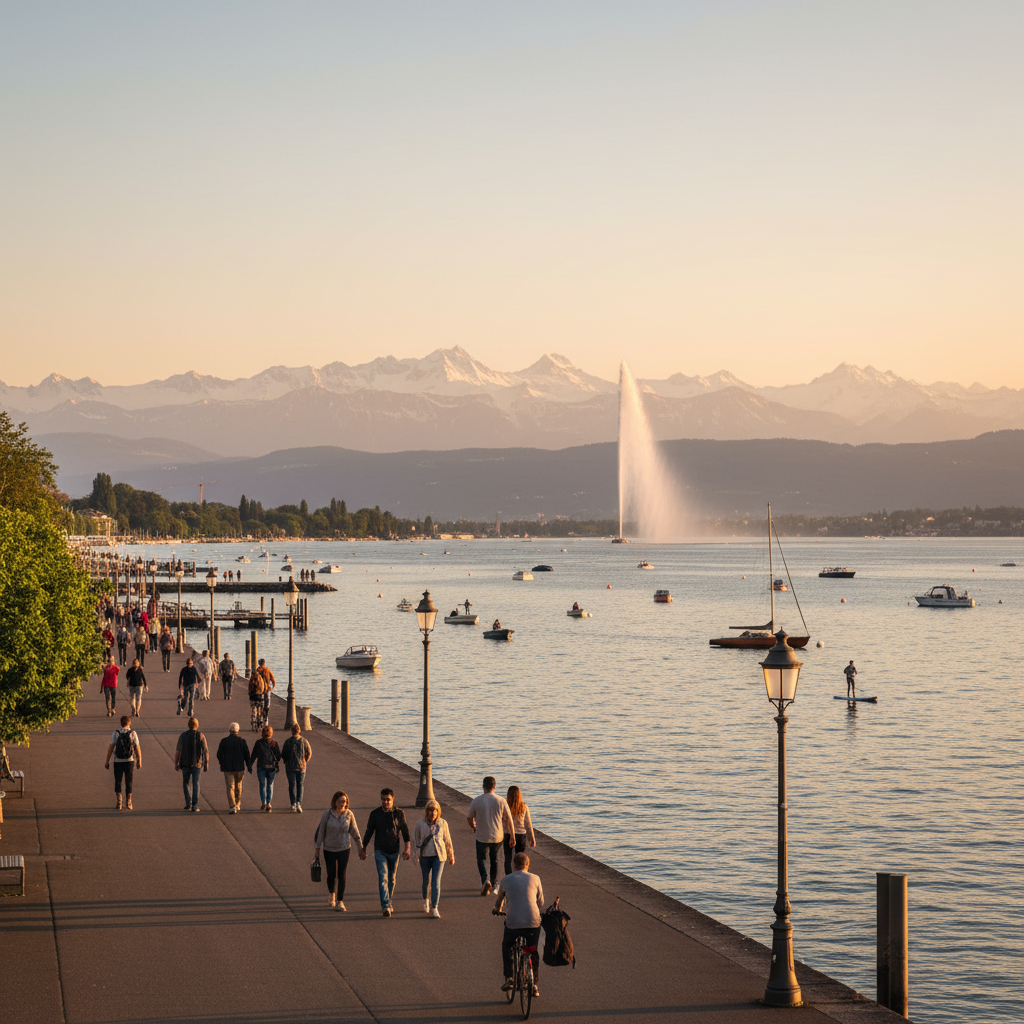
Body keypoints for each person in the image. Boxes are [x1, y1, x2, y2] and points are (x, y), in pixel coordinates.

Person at [493, 852, 545, 998]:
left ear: (513, 865)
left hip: (513, 922)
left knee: (507, 945)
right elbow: (540, 902)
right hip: (533, 922)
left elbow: (499, 901)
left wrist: (497, 909)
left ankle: (509, 977)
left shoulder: (506, 879)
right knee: (532, 950)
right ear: (528, 865)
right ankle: (534, 984)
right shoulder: (536, 878)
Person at [359, 788, 411, 917]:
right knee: (383, 877)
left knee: (392, 879)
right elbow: (369, 831)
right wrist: (363, 847)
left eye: (388, 799)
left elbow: (405, 831)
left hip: (394, 851)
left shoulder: (399, 813)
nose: (385, 802)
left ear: (393, 799)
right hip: (380, 850)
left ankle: (389, 900)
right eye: (383, 799)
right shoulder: (375, 814)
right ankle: (385, 905)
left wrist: (407, 848)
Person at [467, 776, 515, 895]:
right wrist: (512, 835)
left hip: (482, 835)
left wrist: (473, 826)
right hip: (497, 835)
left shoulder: (477, 800)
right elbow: (509, 819)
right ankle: (495, 884)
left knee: (481, 859)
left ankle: (485, 879)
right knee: (495, 860)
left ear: (483, 786)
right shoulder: (501, 800)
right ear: (494, 786)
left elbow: (469, 816)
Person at [314, 791, 362, 911]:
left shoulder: (349, 815)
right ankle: (332, 894)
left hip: (344, 848)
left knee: (342, 874)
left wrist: (360, 847)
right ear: (334, 802)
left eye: (344, 802)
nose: (342, 804)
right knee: (331, 874)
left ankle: (340, 901)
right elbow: (321, 832)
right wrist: (317, 848)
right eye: (340, 801)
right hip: (329, 848)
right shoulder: (327, 814)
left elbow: (355, 832)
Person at [413, 799, 455, 918]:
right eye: (430, 810)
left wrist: (451, 856)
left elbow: (448, 840)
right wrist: (415, 856)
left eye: (435, 810)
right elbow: (415, 840)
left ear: (438, 812)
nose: (432, 813)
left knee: (436, 882)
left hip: (439, 856)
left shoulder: (443, 823)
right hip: (425, 856)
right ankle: (426, 899)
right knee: (426, 881)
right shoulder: (420, 824)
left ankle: (434, 906)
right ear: (426, 811)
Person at [105, 714, 142, 810]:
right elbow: (137, 747)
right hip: (129, 760)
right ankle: (129, 802)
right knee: (129, 781)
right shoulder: (133, 733)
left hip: (118, 760)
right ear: (129, 723)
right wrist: (139, 761)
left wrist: (107, 761)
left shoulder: (116, 733)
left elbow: (111, 747)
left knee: (118, 781)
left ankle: (119, 802)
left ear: (121, 723)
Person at [174, 716, 209, 812]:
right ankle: (195, 805)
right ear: (197, 725)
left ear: (188, 725)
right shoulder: (201, 735)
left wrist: (176, 762)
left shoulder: (183, 736)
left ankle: (188, 803)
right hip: (197, 763)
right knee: (195, 783)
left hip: (185, 762)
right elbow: (205, 751)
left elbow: (178, 750)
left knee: (185, 783)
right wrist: (206, 763)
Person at [215, 722, 250, 813]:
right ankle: (237, 803)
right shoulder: (242, 741)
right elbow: (247, 755)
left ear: (229, 730)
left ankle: (232, 806)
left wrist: (222, 763)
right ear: (238, 731)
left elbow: (219, 754)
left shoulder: (224, 741)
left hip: (227, 767)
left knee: (230, 786)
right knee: (239, 785)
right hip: (239, 767)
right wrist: (249, 765)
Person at [504, 786, 537, 875]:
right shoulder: (524, 807)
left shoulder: (505, 807)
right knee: (520, 858)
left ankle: (509, 877)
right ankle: (520, 876)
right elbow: (528, 824)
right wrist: (532, 838)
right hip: (521, 835)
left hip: (508, 834)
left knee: (508, 858)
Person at [280, 723, 313, 812]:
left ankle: (293, 803)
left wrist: (286, 761)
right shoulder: (304, 741)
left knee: (291, 785)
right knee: (300, 785)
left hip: (290, 766)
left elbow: (283, 754)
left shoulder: (287, 742)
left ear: (291, 731)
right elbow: (309, 752)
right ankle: (299, 802)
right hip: (301, 767)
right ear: (299, 731)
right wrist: (305, 761)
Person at [249, 725, 281, 812]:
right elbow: (278, 756)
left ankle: (263, 802)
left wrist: (250, 764)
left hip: (261, 766)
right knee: (270, 785)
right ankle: (269, 803)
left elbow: (254, 755)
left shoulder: (258, 743)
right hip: (271, 767)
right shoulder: (274, 743)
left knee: (262, 785)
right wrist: (276, 762)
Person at [253, 659, 276, 723]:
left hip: (259, 690)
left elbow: (253, 681)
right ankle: (265, 717)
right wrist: (272, 687)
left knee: (259, 703)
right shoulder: (267, 670)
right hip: (267, 689)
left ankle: (259, 716)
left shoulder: (257, 671)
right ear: (264, 663)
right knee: (267, 704)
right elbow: (273, 680)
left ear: (259, 663)